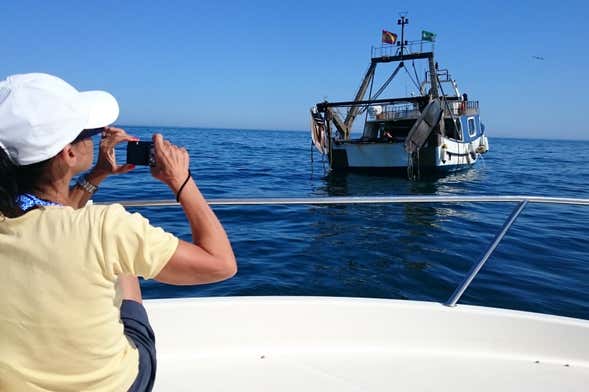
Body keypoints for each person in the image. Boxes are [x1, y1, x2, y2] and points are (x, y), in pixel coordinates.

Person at [0, 73, 237, 391]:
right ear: (68, 153)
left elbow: (50, 218)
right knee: (121, 264)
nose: (97, 139)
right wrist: (181, 181)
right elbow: (221, 265)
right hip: (113, 385)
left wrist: (98, 173)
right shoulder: (106, 228)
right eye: (91, 133)